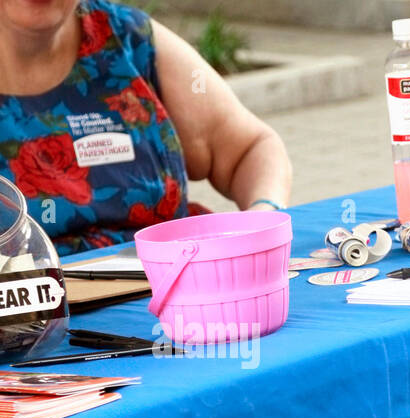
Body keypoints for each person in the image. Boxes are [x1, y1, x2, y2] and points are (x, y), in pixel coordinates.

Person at [0, 0, 292, 254]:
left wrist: (262, 218)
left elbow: (252, 148)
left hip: (175, 294)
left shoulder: (127, 38)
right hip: (33, 312)